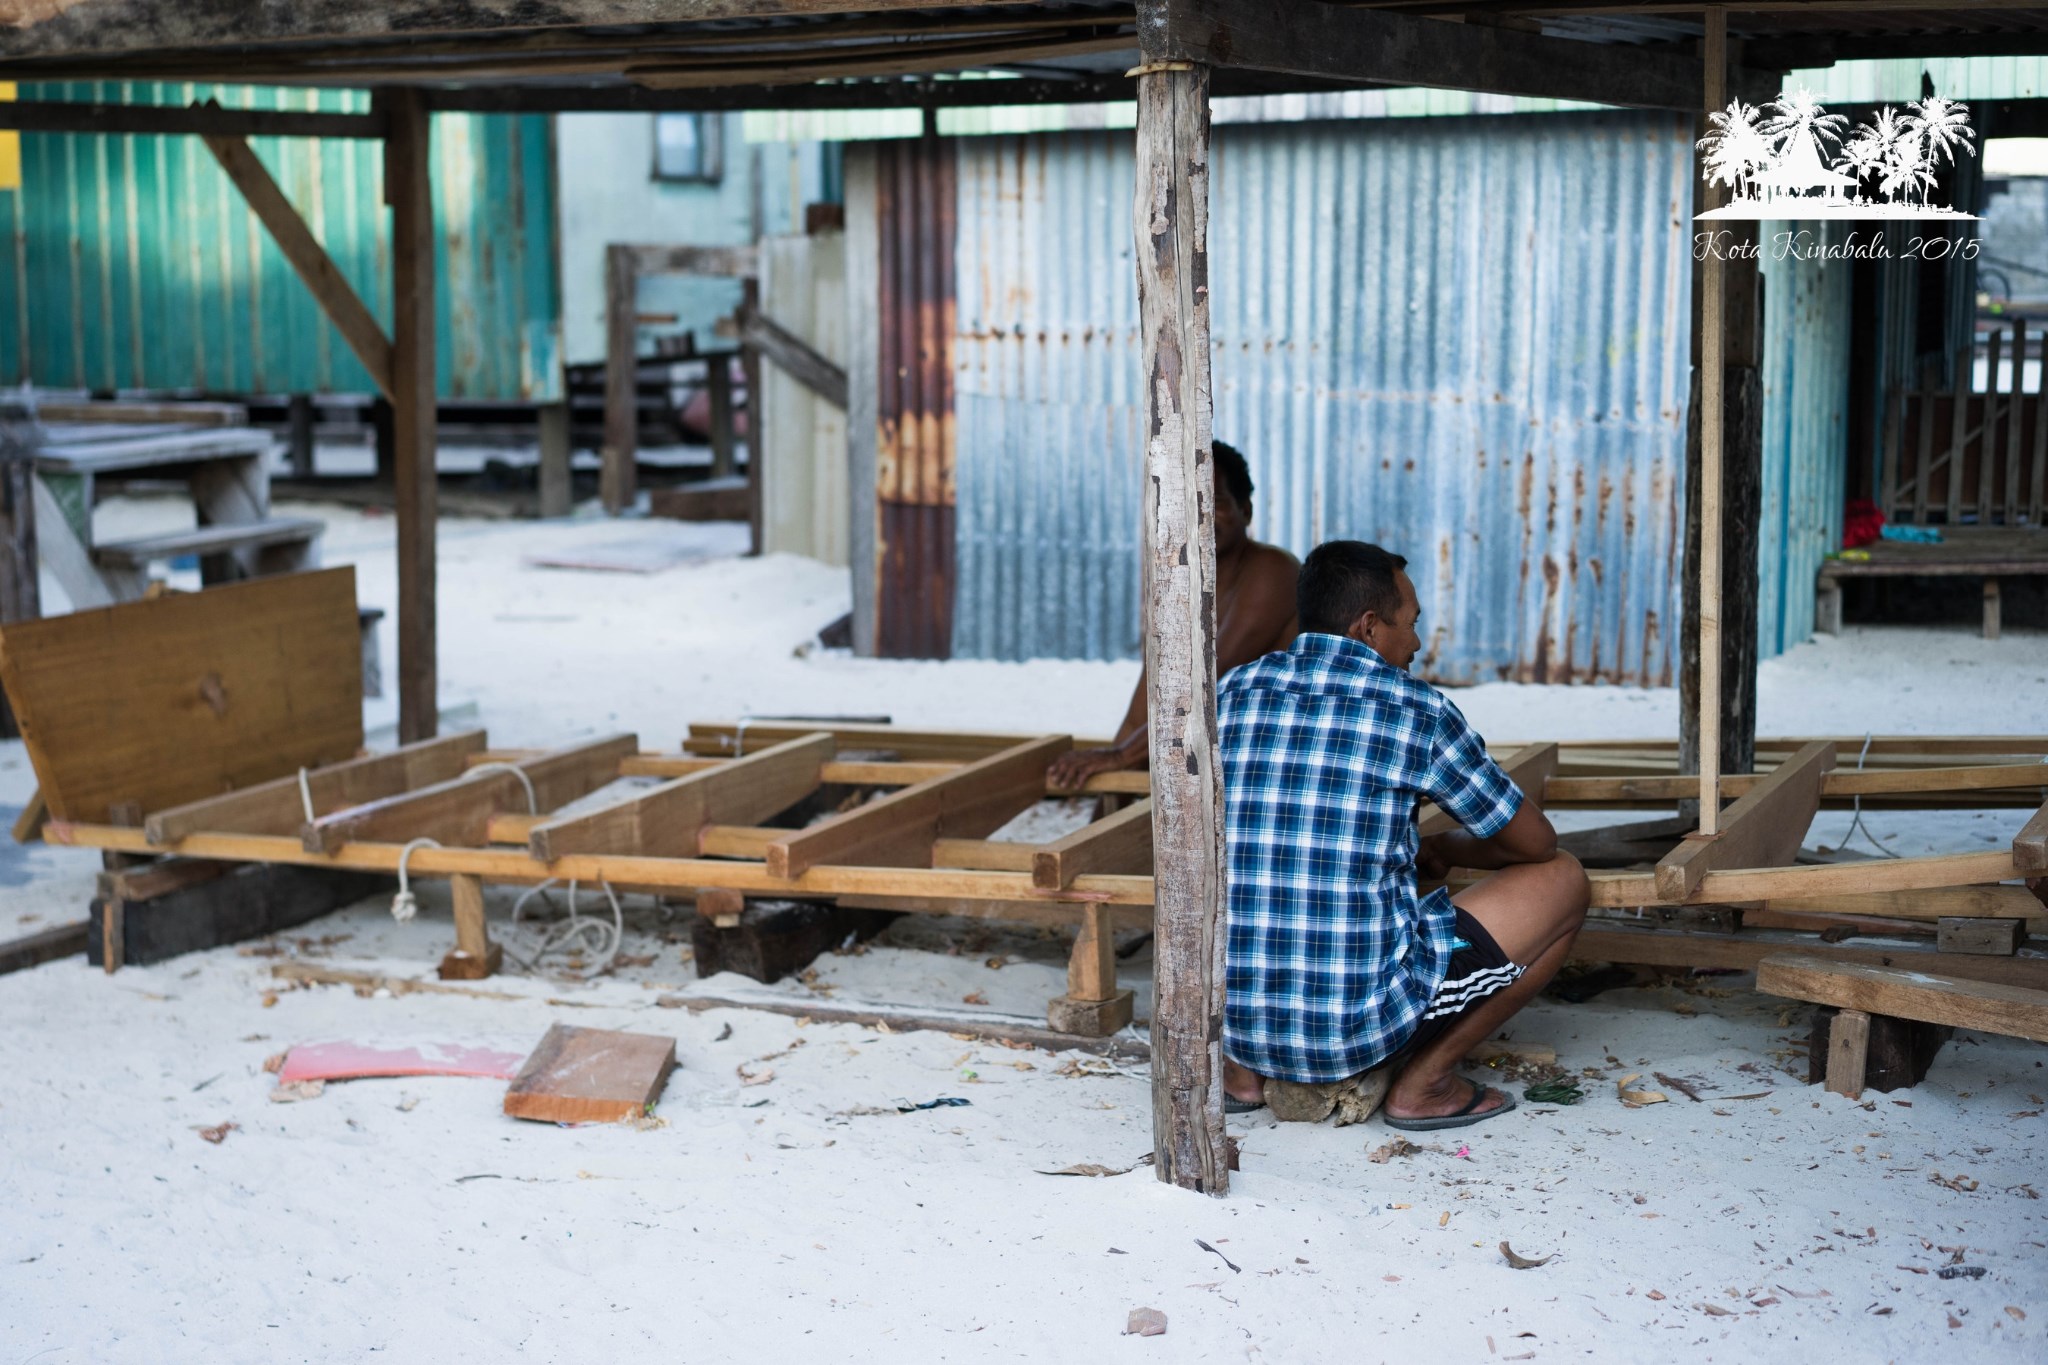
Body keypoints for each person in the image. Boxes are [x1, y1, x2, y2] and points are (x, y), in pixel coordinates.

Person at [1216, 540, 1590, 1130]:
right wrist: (1446, 848)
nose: (1416, 643)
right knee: (1564, 880)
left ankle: (1240, 1075)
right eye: (1410, 624)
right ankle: (1426, 1086)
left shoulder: (1230, 692)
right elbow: (1534, 844)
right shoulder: (1414, 709)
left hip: (1232, 1018)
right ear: (1369, 626)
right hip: (1353, 1033)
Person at [1047, 441, 1299, 794]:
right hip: (1207, 763)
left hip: (1269, 770)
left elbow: (1208, 682)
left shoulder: (1273, 571)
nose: (1202, 516)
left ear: (1246, 510)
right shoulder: (1183, 584)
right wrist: (1107, 794)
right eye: (1189, 503)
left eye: (1217, 503)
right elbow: (1146, 705)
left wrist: (1122, 757)